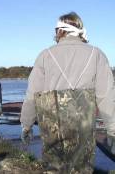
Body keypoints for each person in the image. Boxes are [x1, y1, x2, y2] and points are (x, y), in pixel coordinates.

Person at [20, 12, 115, 173]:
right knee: (81, 168)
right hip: (82, 126)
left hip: (52, 127)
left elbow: (32, 95)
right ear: (80, 29)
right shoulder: (96, 54)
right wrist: (112, 130)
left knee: (54, 168)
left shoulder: (45, 55)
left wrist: (26, 125)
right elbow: (106, 96)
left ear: (59, 31)